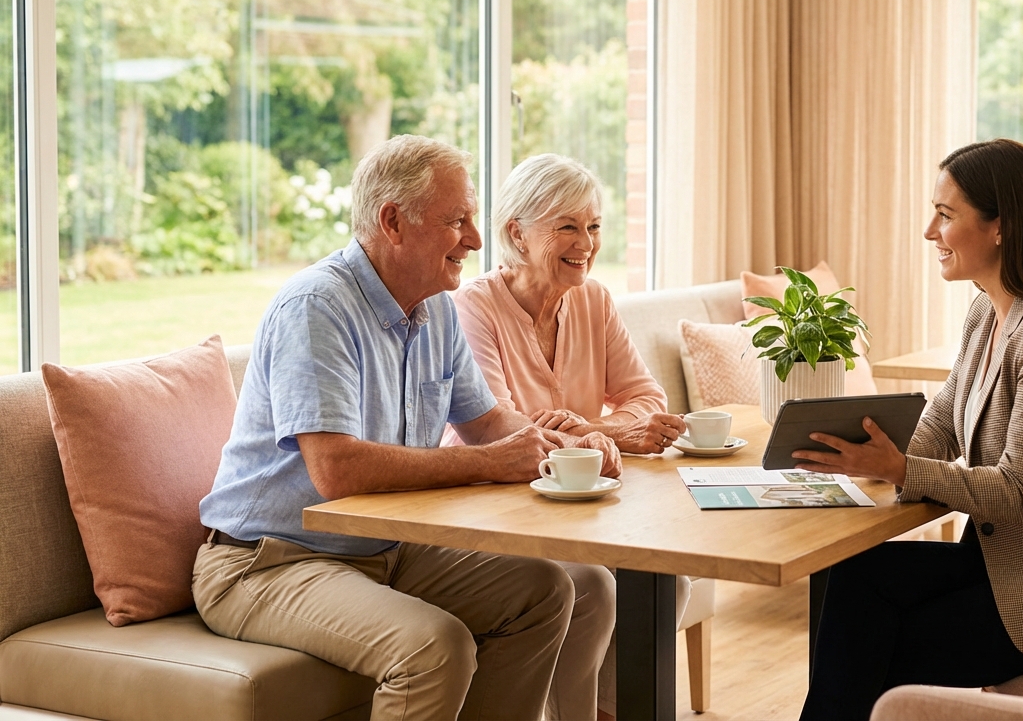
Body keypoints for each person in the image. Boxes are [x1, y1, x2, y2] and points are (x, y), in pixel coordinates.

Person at [194, 134, 621, 721]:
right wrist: (487, 463)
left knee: (545, 591)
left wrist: (568, 446)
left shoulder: (436, 307)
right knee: (435, 647)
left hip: (384, 549)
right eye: (458, 220)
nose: (475, 238)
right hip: (268, 562)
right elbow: (336, 470)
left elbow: (489, 422)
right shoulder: (317, 307)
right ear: (393, 221)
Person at [794, 138, 1023, 721]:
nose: (928, 232)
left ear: (1001, 227)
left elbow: (1018, 493)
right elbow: (945, 417)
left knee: (869, 649)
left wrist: (900, 469)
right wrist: (874, 453)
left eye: (945, 215)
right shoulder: (987, 308)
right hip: (1010, 561)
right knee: (859, 578)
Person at [443, 152, 687, 719]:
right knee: (593, 586)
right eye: (569, 227)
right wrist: (607, 438)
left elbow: (647, 400)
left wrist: (590, 429)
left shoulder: (594, 299)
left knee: (665, 587)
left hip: (581, 508)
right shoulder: (472, 307)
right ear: (517, 234)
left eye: (595, 225)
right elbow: (495, 428)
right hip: (494, 508)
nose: (587, 242)